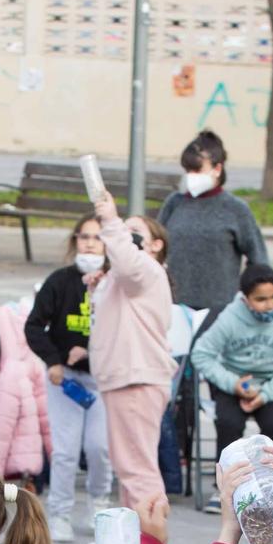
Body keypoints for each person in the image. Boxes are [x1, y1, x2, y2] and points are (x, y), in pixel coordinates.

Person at [23, 214, 113, 543]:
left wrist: (90, 352)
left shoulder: (113, 283)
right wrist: (53, 360)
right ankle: (59, 512)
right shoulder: (60, 281)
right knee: (65, 451)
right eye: (83, 236)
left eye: (97, 237)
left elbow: (120, 332)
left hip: (103, 381)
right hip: (65, 381)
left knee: (99, 447)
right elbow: (33, 326)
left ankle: (98, 502)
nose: (89, 242)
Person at [89, 196, 175, 510]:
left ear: (155, 245)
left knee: (138, 471)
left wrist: (111, 219)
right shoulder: (126, 277)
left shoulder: (147, 270)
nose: (125, 236)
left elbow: (126, 260)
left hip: (136, 380)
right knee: (130, 469)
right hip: (123, 379)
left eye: (134, 233)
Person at [190, 261, 273, 465]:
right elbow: (201, 354)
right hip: (234, 382)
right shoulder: (230, 317)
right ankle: (229, 484)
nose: (271, 304)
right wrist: (233, 384)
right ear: (246, 299)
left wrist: (265, 395)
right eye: (261, 299)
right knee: (229, 423)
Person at [156, 129, 267, 314]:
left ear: (217, 169)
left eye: (198, 169)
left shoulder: (235, 209)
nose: (191, 176)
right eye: (187, 170)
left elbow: (259, 259)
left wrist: (249, 295)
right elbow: (156, 246)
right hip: (174, 306)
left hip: (220, 309)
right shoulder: (175, 203)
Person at [0, 304, 53, 491]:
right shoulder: (34, 365)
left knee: (8, 515)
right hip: (27, 467)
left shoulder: (6, 374)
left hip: (6, 471)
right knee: (24, 515)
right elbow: (47, 420)